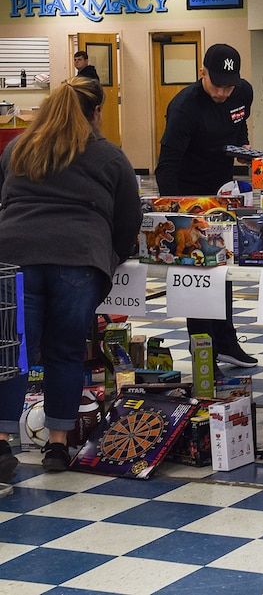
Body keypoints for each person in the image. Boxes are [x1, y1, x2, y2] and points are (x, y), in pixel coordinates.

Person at [0, 77, 142, 474]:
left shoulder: (17, 147)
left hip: (14, 257)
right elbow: (129, 219)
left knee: (12, 353)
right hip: (78, 259)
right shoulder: (109, 155)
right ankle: (58, 447)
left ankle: (1, 445)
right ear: (96, 112)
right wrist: (109, 258)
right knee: (65, 352)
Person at [155, 43, 257, 368]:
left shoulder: (243, 93)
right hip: (188, 193)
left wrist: (243, 148)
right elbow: (165, 167)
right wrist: (176, 215)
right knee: (198, 274)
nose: (223, 93)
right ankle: (204, 351)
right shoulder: (184, 107)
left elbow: (239, 126)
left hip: (221, 194)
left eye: (229, 86)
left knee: (223, 269)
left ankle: (226, 341)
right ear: (202, 73)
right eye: (217, 85)